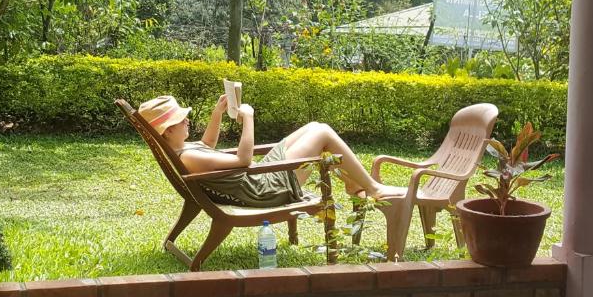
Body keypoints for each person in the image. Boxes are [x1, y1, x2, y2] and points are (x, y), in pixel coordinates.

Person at [138, 95, 405, 208]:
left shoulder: (184, 149)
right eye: (180, 120)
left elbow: (207, 144)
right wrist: (249, 118)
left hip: (258, 180)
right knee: (323, 133)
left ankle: (351, 183)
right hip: (265, 188)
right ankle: (371, 188)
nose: (186, 121)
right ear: (167, 132)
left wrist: (217, 113)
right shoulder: (189, 157)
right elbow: (243, 160)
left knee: (314, 125)